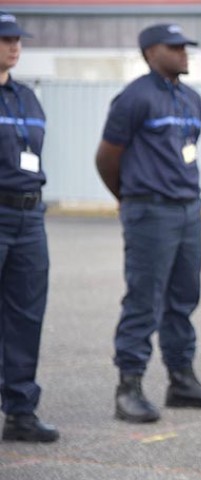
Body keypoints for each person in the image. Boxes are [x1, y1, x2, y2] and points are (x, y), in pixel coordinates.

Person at [95, 23, 201, 423]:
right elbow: (106, 157)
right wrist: (130, 198)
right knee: (143, 300)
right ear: (150, 52)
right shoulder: (134, 98)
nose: (185, 53)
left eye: (186, 46)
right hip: (150, 210)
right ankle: (128, 387)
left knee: (183, 297)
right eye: (175, 47)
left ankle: (180, 380)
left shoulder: (191, 98)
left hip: (187, 209)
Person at [0, 12, 59, 443]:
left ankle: (21, 410)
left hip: (30, 216)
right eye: (5, 39)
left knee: (26, 315)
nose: (14, 46)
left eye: (17, 39)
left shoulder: (27, 98)